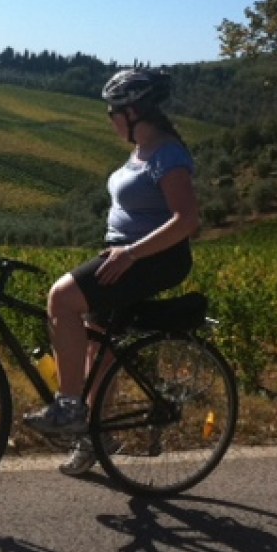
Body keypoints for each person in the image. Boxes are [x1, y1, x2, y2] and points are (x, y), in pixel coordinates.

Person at [23, 68, 201, 476]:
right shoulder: (143, 149)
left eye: (113, 111)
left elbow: (187, 219)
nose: (110, 119)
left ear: (133, 111)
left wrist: (131, 254)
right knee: (97, 348)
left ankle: (69, 409)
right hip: (131, 256)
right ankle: (96, 440)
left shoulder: (166, 153)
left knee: (61, 299)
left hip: (154, 259)